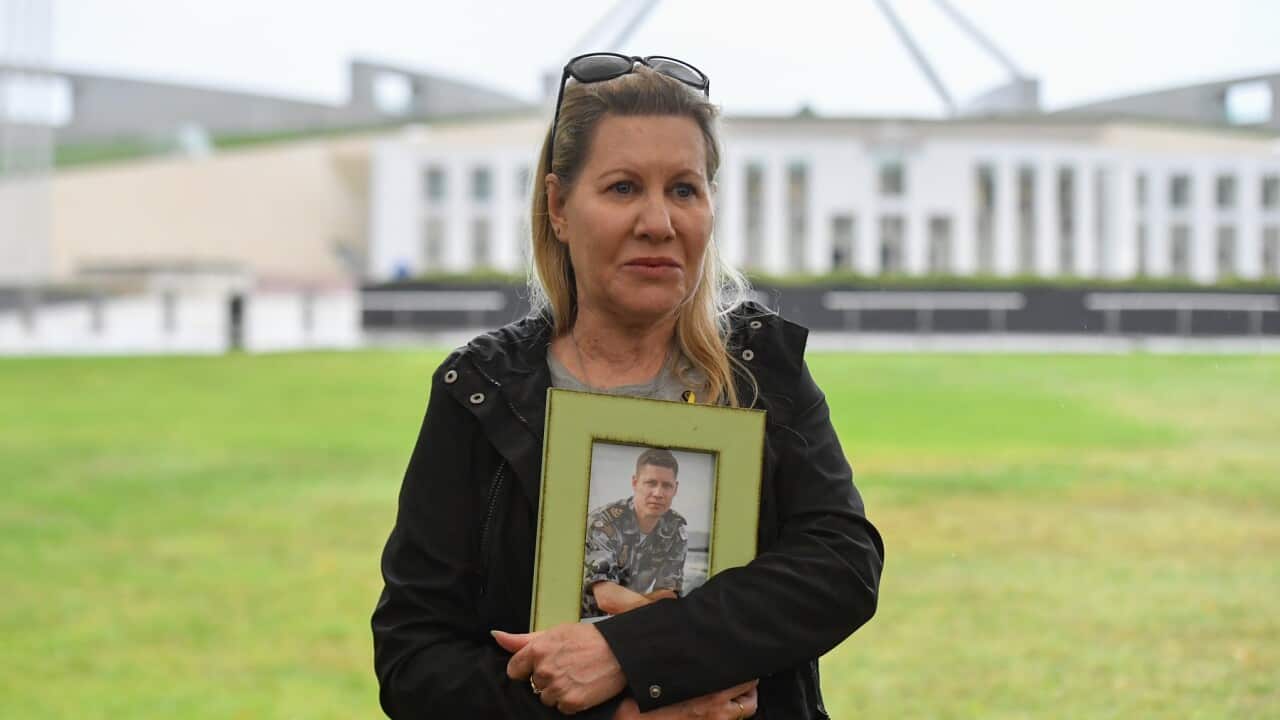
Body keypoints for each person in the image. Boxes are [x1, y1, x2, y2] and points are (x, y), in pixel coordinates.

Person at [371, 52, 885, 719]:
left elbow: (840, 568)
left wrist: (629, 653)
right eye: (622, 188)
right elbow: (413, 659)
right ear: (558, 205)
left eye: (683, 189)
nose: (658, 222)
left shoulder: (762, 372)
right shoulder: (480, 391)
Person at [582, 448, 688, 620]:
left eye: (667, 485)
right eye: (651, 483)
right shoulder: (604, 522)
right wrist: (659, 613)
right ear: (635, 482)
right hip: (583, 620)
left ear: (675, 489)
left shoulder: (675, 527)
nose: (658, 493)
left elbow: (669, 594)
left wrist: (629, 603)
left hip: (630, 621)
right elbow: (606, 598)